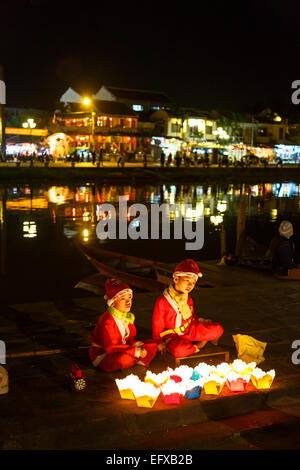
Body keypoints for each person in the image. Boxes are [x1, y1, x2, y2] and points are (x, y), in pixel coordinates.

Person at [152, 259, 224, 358]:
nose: (190, 285)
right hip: (172, 336)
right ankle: (198, 345)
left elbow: (190, 316)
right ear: (176, 279)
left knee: (217, 329)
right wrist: (158, 343)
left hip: (189, 330)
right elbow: (157, 324)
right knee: (178, 350)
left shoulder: (188, 298)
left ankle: (191, 344)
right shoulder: (163, 301)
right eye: (187, 280)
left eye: (193, 283)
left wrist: (202, 320)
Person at [89, 279, 158, 371]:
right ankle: (135, 360)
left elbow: (129, 339)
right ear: (113, 302)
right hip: (105, 355)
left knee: (152, 345)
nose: (128, 302)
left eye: (129, 297)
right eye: (123, 299)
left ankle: (138, 363)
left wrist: (136, 345)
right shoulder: (108, 321)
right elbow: (110, 348)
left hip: (123, 348)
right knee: (125, 359)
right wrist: (135, 351)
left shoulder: (126, 316)